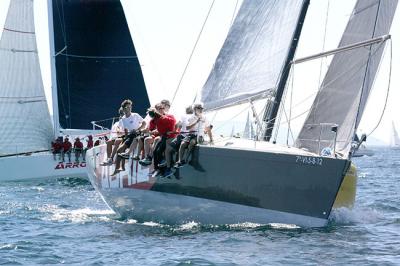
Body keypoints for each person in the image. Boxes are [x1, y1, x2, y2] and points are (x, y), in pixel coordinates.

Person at [111, 99, 146, 176]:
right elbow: (122, 129)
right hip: (129, 136)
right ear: (123, 109)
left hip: (137, 134)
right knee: (119, 150)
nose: (129, 109)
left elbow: (144, 123)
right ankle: (118, 168)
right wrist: (121, 132)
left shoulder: (135, 115)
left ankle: (120, 167)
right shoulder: (123, 119)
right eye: (127, 107)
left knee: (121, 149)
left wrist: (138, 130)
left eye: (130, 107)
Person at [174, 103, 213, 168]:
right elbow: (187, 128)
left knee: (192, 143)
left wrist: (211, 139)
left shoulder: (205, 117)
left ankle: (185, 160)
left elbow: (208, 128)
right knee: (183, 144)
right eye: (199, 108)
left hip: (199, 136)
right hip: (191, 134)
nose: (201, 110)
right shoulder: (191, 117)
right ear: (195, 109)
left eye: (202, 108)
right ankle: (180, 161)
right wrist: (196, 122)